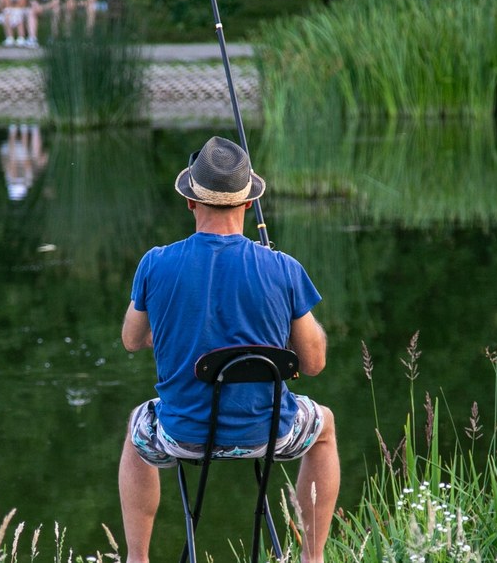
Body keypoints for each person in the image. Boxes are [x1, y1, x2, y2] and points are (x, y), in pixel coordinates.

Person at [118, 136, 338, 563]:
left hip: (182, 435)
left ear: (190, 202)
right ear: (249, 204)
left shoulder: (156, 263)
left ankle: (137, 559)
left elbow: (132, 339)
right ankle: (313, 558)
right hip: (269, 434)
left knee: (136, 428)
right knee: (324, 427)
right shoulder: (284, 268)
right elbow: (314, 363)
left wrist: (171, 329)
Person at [0, 123, 49, 200]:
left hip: (10, 151)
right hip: (20, 154)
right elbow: (44, 157)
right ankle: (34, 129)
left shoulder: (9, 173)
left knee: (16, 156)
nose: (18, 178)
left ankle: (14, 130)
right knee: (35, 156)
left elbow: (13, 160)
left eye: (17, 181)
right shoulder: (29, 177)